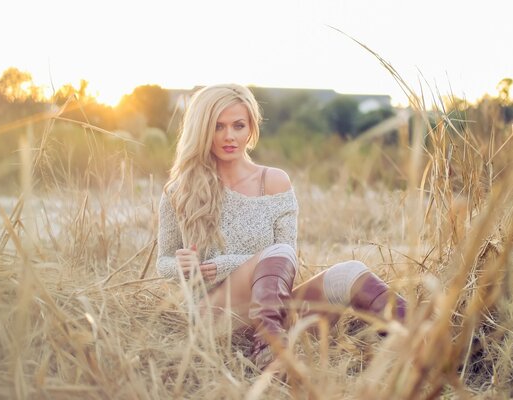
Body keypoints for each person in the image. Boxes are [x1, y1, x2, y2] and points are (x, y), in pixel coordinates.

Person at [156, 83, 406, 370]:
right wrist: (182, 265)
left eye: (238, 125)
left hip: (273, 315)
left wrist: (227, 263)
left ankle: (421, 340)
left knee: (349, 272)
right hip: (214, 316)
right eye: (218, 127)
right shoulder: (180, 190)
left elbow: (287, 259)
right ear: (202, 130)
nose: (229, 136)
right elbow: (163, 262)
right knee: (276, 252)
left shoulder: (274, 182)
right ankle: (270, 355)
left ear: (251, 127)